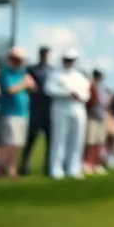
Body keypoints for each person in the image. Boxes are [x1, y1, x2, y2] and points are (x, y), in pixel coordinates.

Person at [45, 49, 90, 179]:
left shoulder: (80, 77)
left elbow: (86, 94)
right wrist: (67, 93)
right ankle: (56, 169)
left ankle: (73, 168)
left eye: (71, 60)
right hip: (61, 108)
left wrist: (79, 95)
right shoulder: (56, 74)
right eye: (67, 59)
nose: (69, 62)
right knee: (58, 140)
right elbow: (49, 89)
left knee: (77, 140)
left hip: (78, 109)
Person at [0, 47, 34, 178]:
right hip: (9, 112)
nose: (19, 63)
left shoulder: (23, 73)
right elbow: (10, 90)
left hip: (23, 113)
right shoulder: (4, 73)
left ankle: (11, 169)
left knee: (16, 143)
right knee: (8, 143)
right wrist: (25, 83)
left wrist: (29, 84)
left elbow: (33, 87)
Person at [20, 45, 52, 176]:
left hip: (48, 108)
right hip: (36, 107)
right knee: (31, 138)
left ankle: (48, 166)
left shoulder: (52, 71)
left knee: (50, 139)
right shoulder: (32, 70)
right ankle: (24, 165)